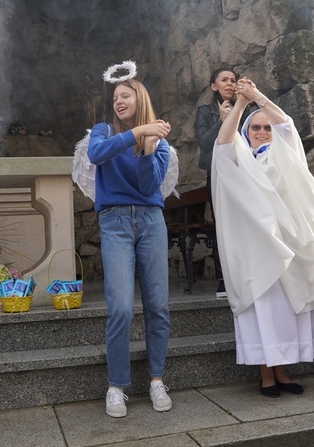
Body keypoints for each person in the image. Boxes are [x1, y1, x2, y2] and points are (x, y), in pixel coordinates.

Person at [211, 77, 314, 397]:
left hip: (291, 241)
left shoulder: (285, 154)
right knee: (264, 308)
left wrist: (257, 97)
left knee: (286, 308)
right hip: (258, 245)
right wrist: (241, 105)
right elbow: (222, 145)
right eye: (256, 128)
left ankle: (282, 371)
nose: (264, 132)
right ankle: (266, 375)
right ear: (246, 133)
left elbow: (287, 125)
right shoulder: (239, 158)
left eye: (266, 128)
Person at [87, 78, 173, 418]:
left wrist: (149, 148)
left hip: (151, 222)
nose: (119, 101)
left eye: (126, 95)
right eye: (115, 97)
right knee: (120, 307)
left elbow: (149, 186)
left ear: (140, 98)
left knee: (158, 306)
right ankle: (116, 386)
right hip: (114, 222)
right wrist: (138, 134)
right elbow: (96, 154)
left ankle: (156, 380)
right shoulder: (103, 130)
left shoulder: (158, 139)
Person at [194, 67, 237, 299]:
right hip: (218, 173)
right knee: (222, 223)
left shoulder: (244, 108)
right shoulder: (205, 111)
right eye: (224, 80)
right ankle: (224, 279)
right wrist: (221, 120)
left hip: (242, 173)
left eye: (233, 80)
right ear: (214, 86)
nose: (229, 83)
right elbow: (203, 143)